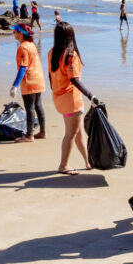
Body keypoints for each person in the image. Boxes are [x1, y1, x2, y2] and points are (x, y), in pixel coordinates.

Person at [49, 22, 99, 173]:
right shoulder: (71, 55)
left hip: (59, 98)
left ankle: (87, 161)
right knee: (71, 134)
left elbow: (50, 76)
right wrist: (91, 96)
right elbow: (74, 79)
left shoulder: (52, 52)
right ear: (71, 36)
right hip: (72, 101)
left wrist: (56, 91)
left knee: (78, 131)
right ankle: (63, 165)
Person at [10, 23, 46, 143]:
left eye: (14, 31)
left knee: (29, 108)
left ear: (20, 33)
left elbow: (23, 67)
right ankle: (42, 132)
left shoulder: (23, 47)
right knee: (38, 105)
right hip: (39, 79)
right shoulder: (31, 45)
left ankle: (29, 135)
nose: (13, 33)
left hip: (30, 81)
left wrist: (14, 85)